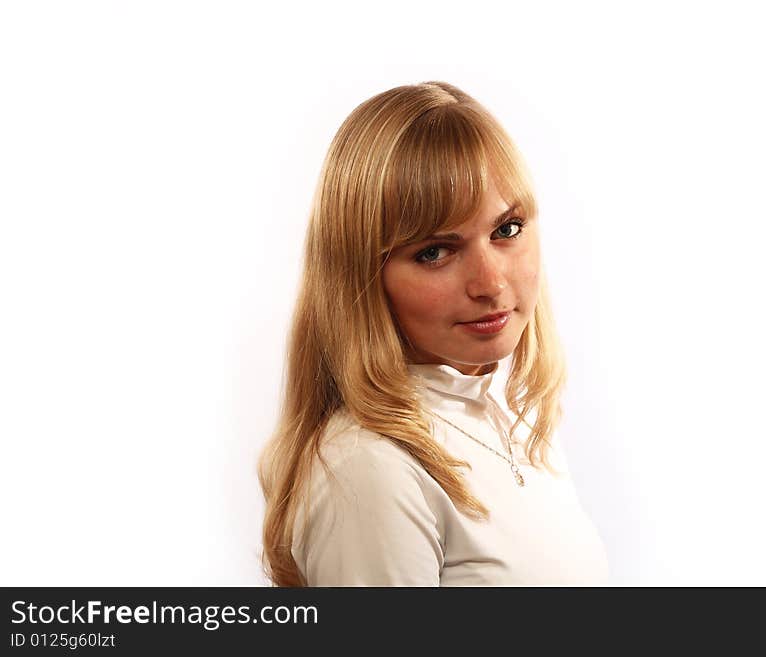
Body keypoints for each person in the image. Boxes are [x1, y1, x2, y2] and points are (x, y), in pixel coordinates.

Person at [258, 81, 609, 586]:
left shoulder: (516, 416)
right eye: (434, 252)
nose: (491, 284)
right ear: (361, 277)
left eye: (506, 230)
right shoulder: (369, 469)